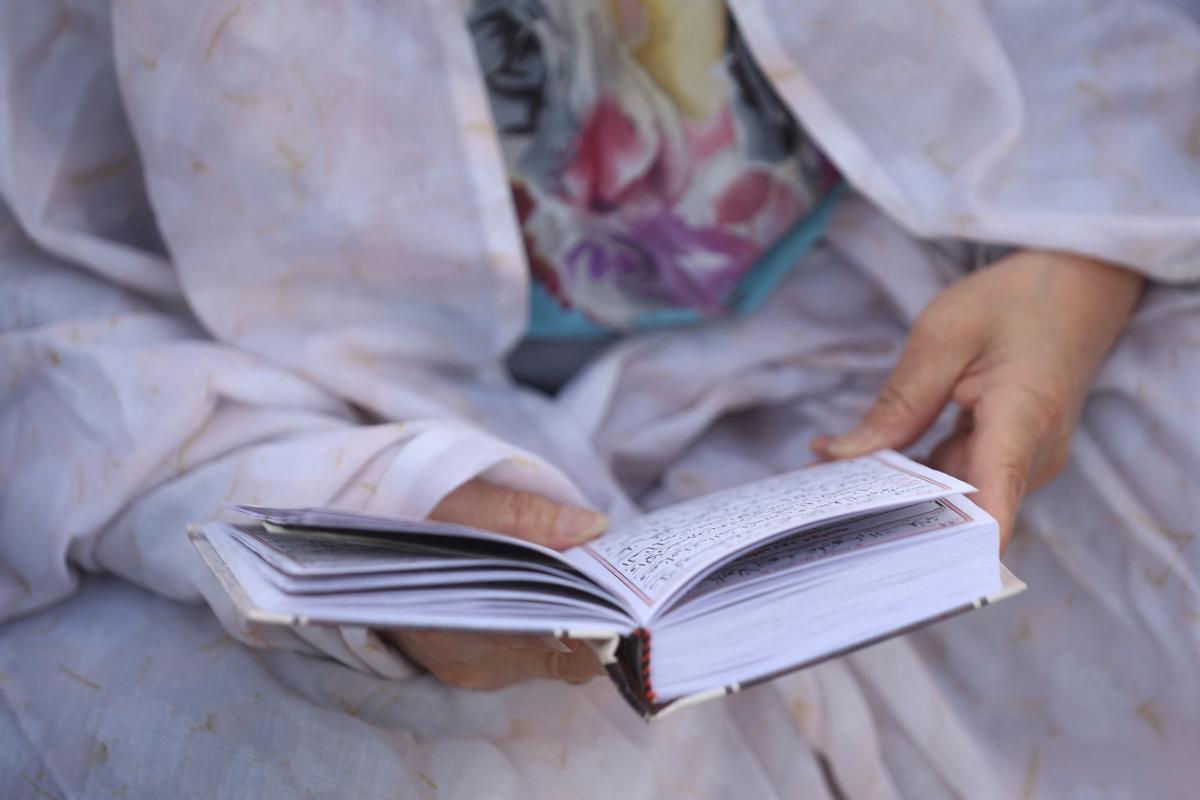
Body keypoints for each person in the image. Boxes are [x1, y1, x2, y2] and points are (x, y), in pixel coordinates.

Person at [1, 1, 1197, 797]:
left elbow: (1115, 52)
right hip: (318, 404)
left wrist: (1068, 279)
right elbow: (43, 308)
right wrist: (382, 522)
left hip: (923, 281)